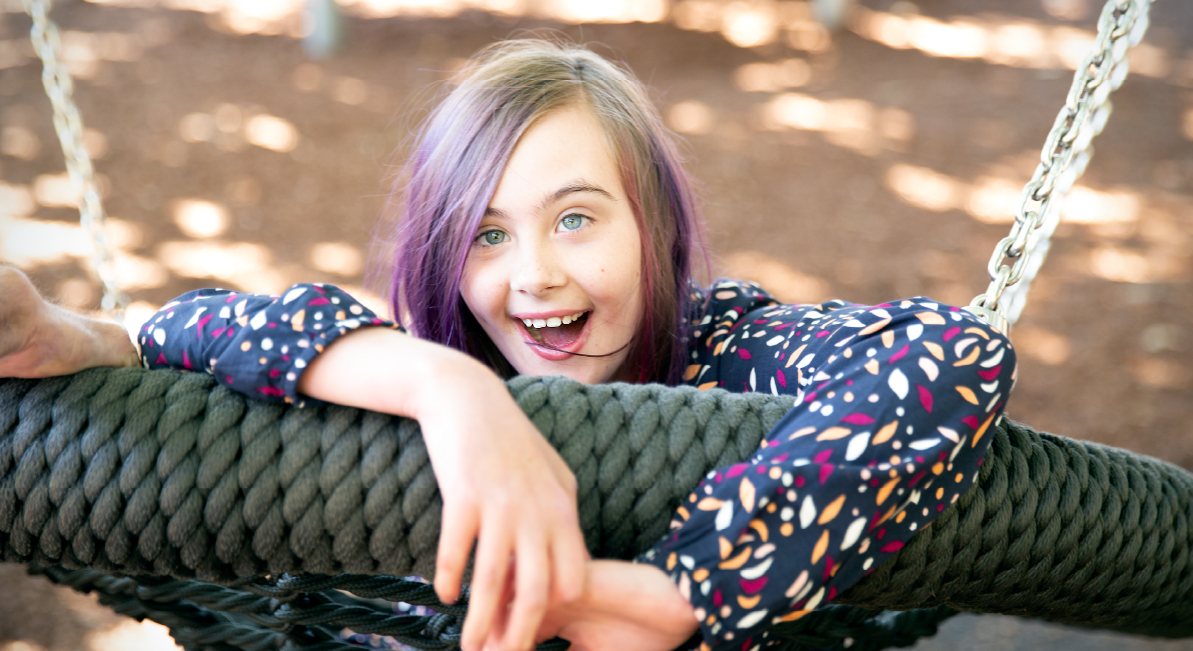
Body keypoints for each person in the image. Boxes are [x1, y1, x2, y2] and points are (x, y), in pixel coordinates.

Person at [0, 39, 1016, 651]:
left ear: (654, 228)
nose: (531, 274)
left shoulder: (721, 351)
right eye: (487, 235)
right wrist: (450, 391)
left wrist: (679, 593)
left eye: (575, 218)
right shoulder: (436, 357)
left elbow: (949, 355)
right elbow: (194, 327)